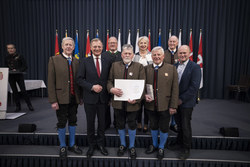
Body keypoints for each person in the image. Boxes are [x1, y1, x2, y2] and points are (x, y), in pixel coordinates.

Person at [107, 44, 146, 159]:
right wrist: (111, 89)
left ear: (133, 55)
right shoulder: (114, 66)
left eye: (129, 53)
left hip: (133, 103)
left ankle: (132, 146)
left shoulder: (139, 67)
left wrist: (137, 99)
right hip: (118, 102)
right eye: (125, 53)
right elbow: (109, 81)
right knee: (120, 123)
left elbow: (142, 85)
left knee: (132, 123)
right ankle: (123, 144)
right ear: (122, 54)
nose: (127, 55)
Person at [48, 37, 83, 159]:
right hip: (60, 98)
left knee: (73, 121)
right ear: (62, 47)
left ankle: (72, 144)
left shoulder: (77, 61)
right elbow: (51, 82)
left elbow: (79, 81)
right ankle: (63, 145)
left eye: (70, 45)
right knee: (62, 122)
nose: (68, 47)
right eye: (66, 45)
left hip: (74, 98)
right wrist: (53, 100)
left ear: (74, 47)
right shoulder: (54, 60)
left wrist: (81, 97)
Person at [77, 38, 111, 158]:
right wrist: (92, 87)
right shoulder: (84, 61)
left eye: (99, 46)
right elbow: (79, 79)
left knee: (102, 123)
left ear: (102, 48)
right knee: (90, 123)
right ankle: (91, 145)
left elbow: (109, 80)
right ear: (91, 48)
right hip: (89, 98)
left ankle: (101, 144)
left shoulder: (108, 61)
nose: (97, 49)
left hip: (103, 99)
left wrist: (110, 97)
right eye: (94, 47)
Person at [144, 46, 179, 160]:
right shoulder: (146, 68)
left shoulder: (171, 69)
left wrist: (173, 105)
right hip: (150, 104)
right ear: (151, 56)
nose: (157, 57)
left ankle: (161, 147)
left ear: (163, 56)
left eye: (159, 55)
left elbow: (175, 89)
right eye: (154, 55)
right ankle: (154, 145)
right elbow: (142, 86)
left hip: (165, 105)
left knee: (164, 127)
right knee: (153, 126)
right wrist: (145, 95)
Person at [169, 45, 201, 160]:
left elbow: (194, 87)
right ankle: (179, 143)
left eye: (185, 53)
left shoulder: (195, 67)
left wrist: (181, 100)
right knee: (179, 124)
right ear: (178, 53)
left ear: (189, 53)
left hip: (186, 102)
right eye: (180, 53)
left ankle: (186, 148)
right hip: (175, 101)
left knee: (185, 125)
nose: (182, 55)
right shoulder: (174, 66)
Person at [4, 44, 34, 112]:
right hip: (11, 76)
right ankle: (18, 106)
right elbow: (6, 66)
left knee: (23, 91)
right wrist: (9, 70)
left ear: (14, 49)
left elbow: (25, 66)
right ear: (7, 50)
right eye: (9, 48)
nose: (10, 50)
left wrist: (18, 70)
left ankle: (29, 105)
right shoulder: (6, 57)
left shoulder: (20, 56)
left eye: (12, 48)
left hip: (19, 75)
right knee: (14, 92)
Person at [133, 36, 153, 133]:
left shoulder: (152, 55)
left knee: (148, 105)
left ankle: (146, 123)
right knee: (138, 105)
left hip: (149, 83)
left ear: (148, 44)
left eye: (145, 43)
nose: (143, 45)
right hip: (137, 83)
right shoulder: (134, 56)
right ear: (138, 44)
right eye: (141, 43)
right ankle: (139, 122)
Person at [102, 36, 122, 129]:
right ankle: (106, 124)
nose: (112, 44)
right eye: (111, 43)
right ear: (108, 44)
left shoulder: (121, 55)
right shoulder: (103, 55)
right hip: (106, 84)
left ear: (117, 44)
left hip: (119, 84)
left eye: (114, 43)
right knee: (105, 106)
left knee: (117, 107)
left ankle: (117, 124)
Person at [164, 35, 179, 133]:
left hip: (178, 81)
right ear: (168, 42)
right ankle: (167, 122)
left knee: (175, 102)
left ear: (177, 43)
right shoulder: (163, 53)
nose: (172, 43)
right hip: (166, 82)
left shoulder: (181, 53)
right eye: (170, 41)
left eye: (174, 42)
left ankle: (174, 123)